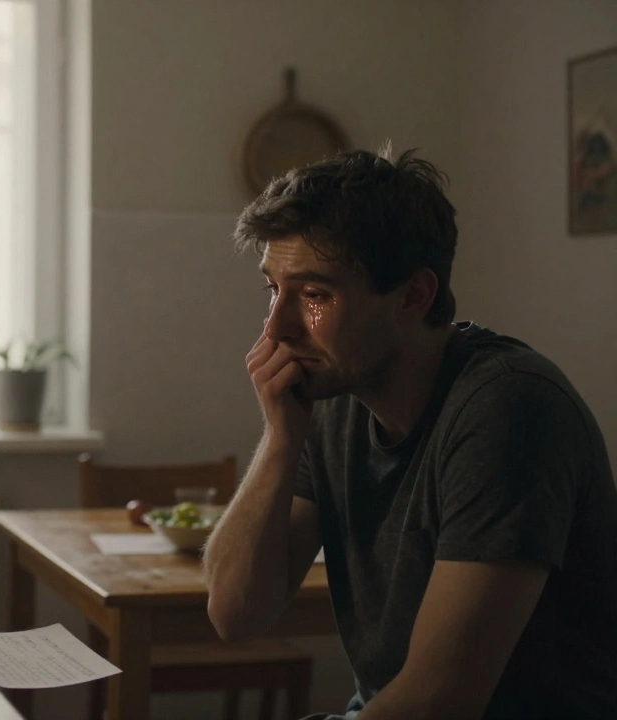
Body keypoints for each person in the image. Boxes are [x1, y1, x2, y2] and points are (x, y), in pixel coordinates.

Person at [203, 148, 617, 719]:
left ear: (413, 296)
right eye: (273, 289)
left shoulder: (508, 408)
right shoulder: (332, 394)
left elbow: (440, 699)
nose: (276, 327)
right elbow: (235, 614)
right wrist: (280, 441)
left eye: (316, 295)